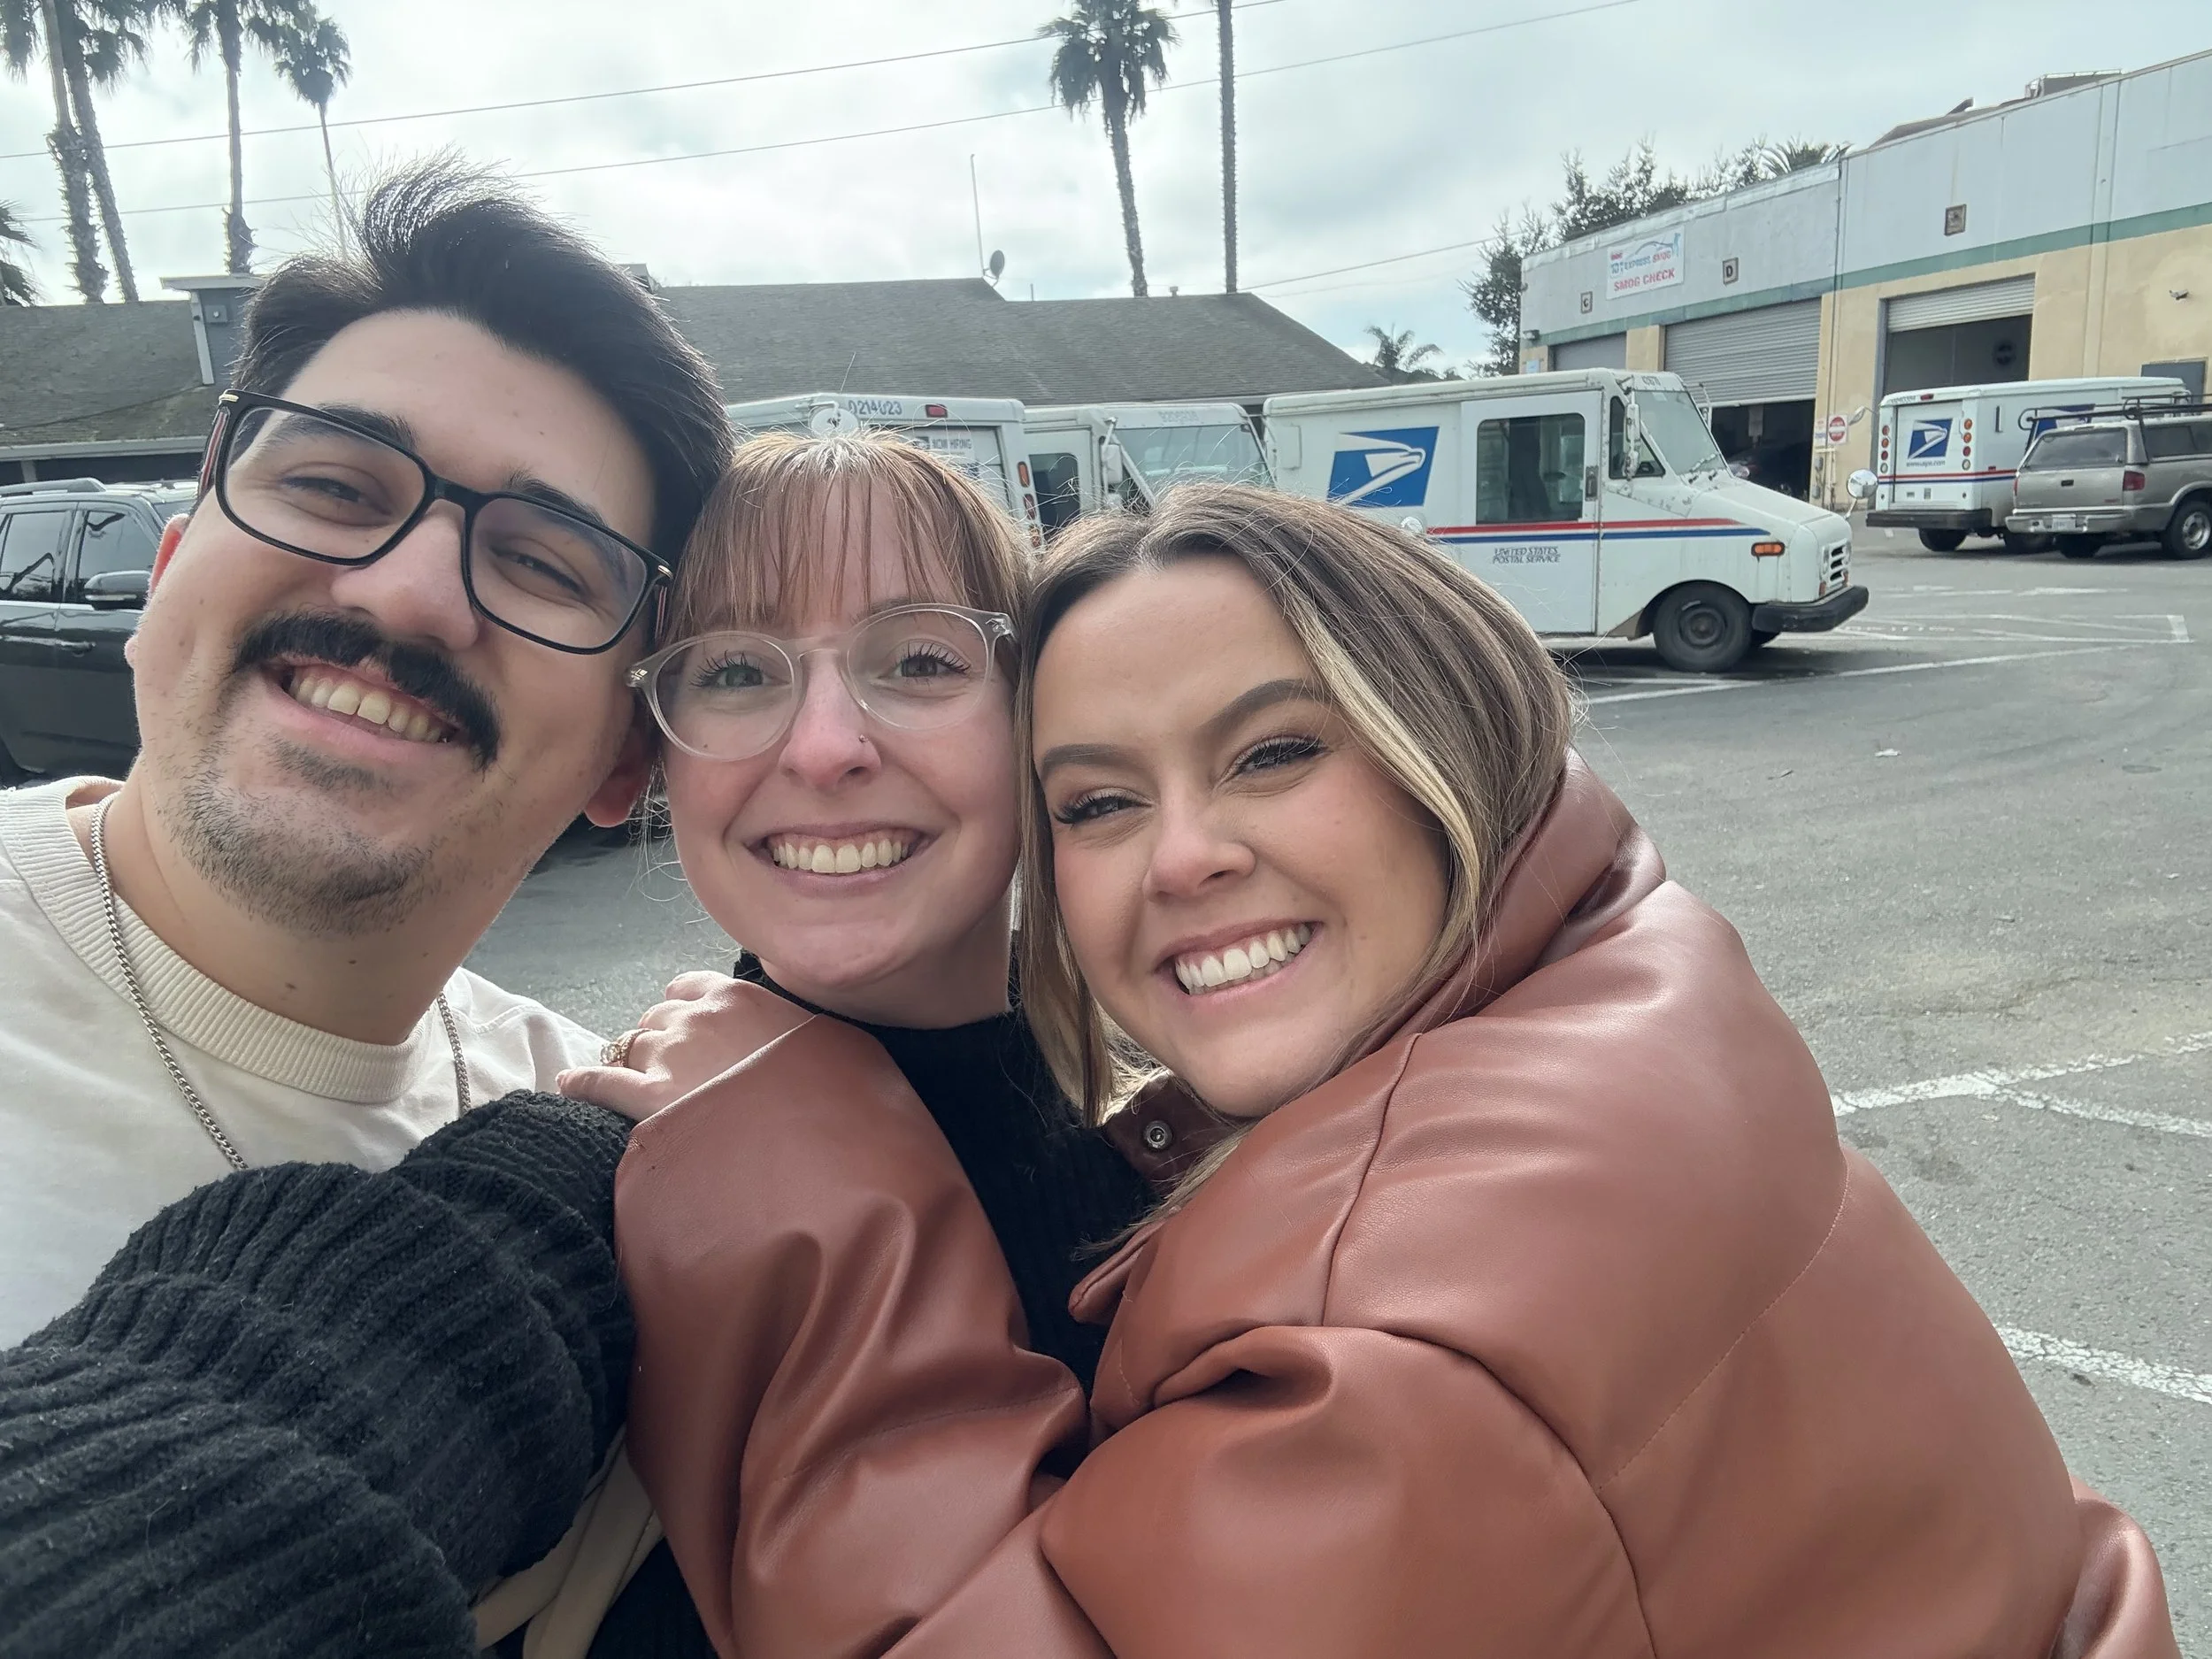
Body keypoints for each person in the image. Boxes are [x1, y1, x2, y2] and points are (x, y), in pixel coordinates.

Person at [606, 484, 2181, 1657]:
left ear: (1449, 739)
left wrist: (804, 1173)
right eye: (1097, 801)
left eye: (1276, 751)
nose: (1187, 856)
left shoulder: (1389, 1327)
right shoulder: (1631, 995)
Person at [0, 161, 733, 1655]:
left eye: (541, 560)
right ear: (169, 566)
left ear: (622, 757)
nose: (407, 594)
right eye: (334, 484)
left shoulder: (625, 1172)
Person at [555, 429, 1155, 1648]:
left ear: (1039, 715)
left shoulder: (1178, 1178)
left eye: (920, 657)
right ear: (660, 752)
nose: (826, 746)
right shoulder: (600, 1167)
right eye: (733, 673)